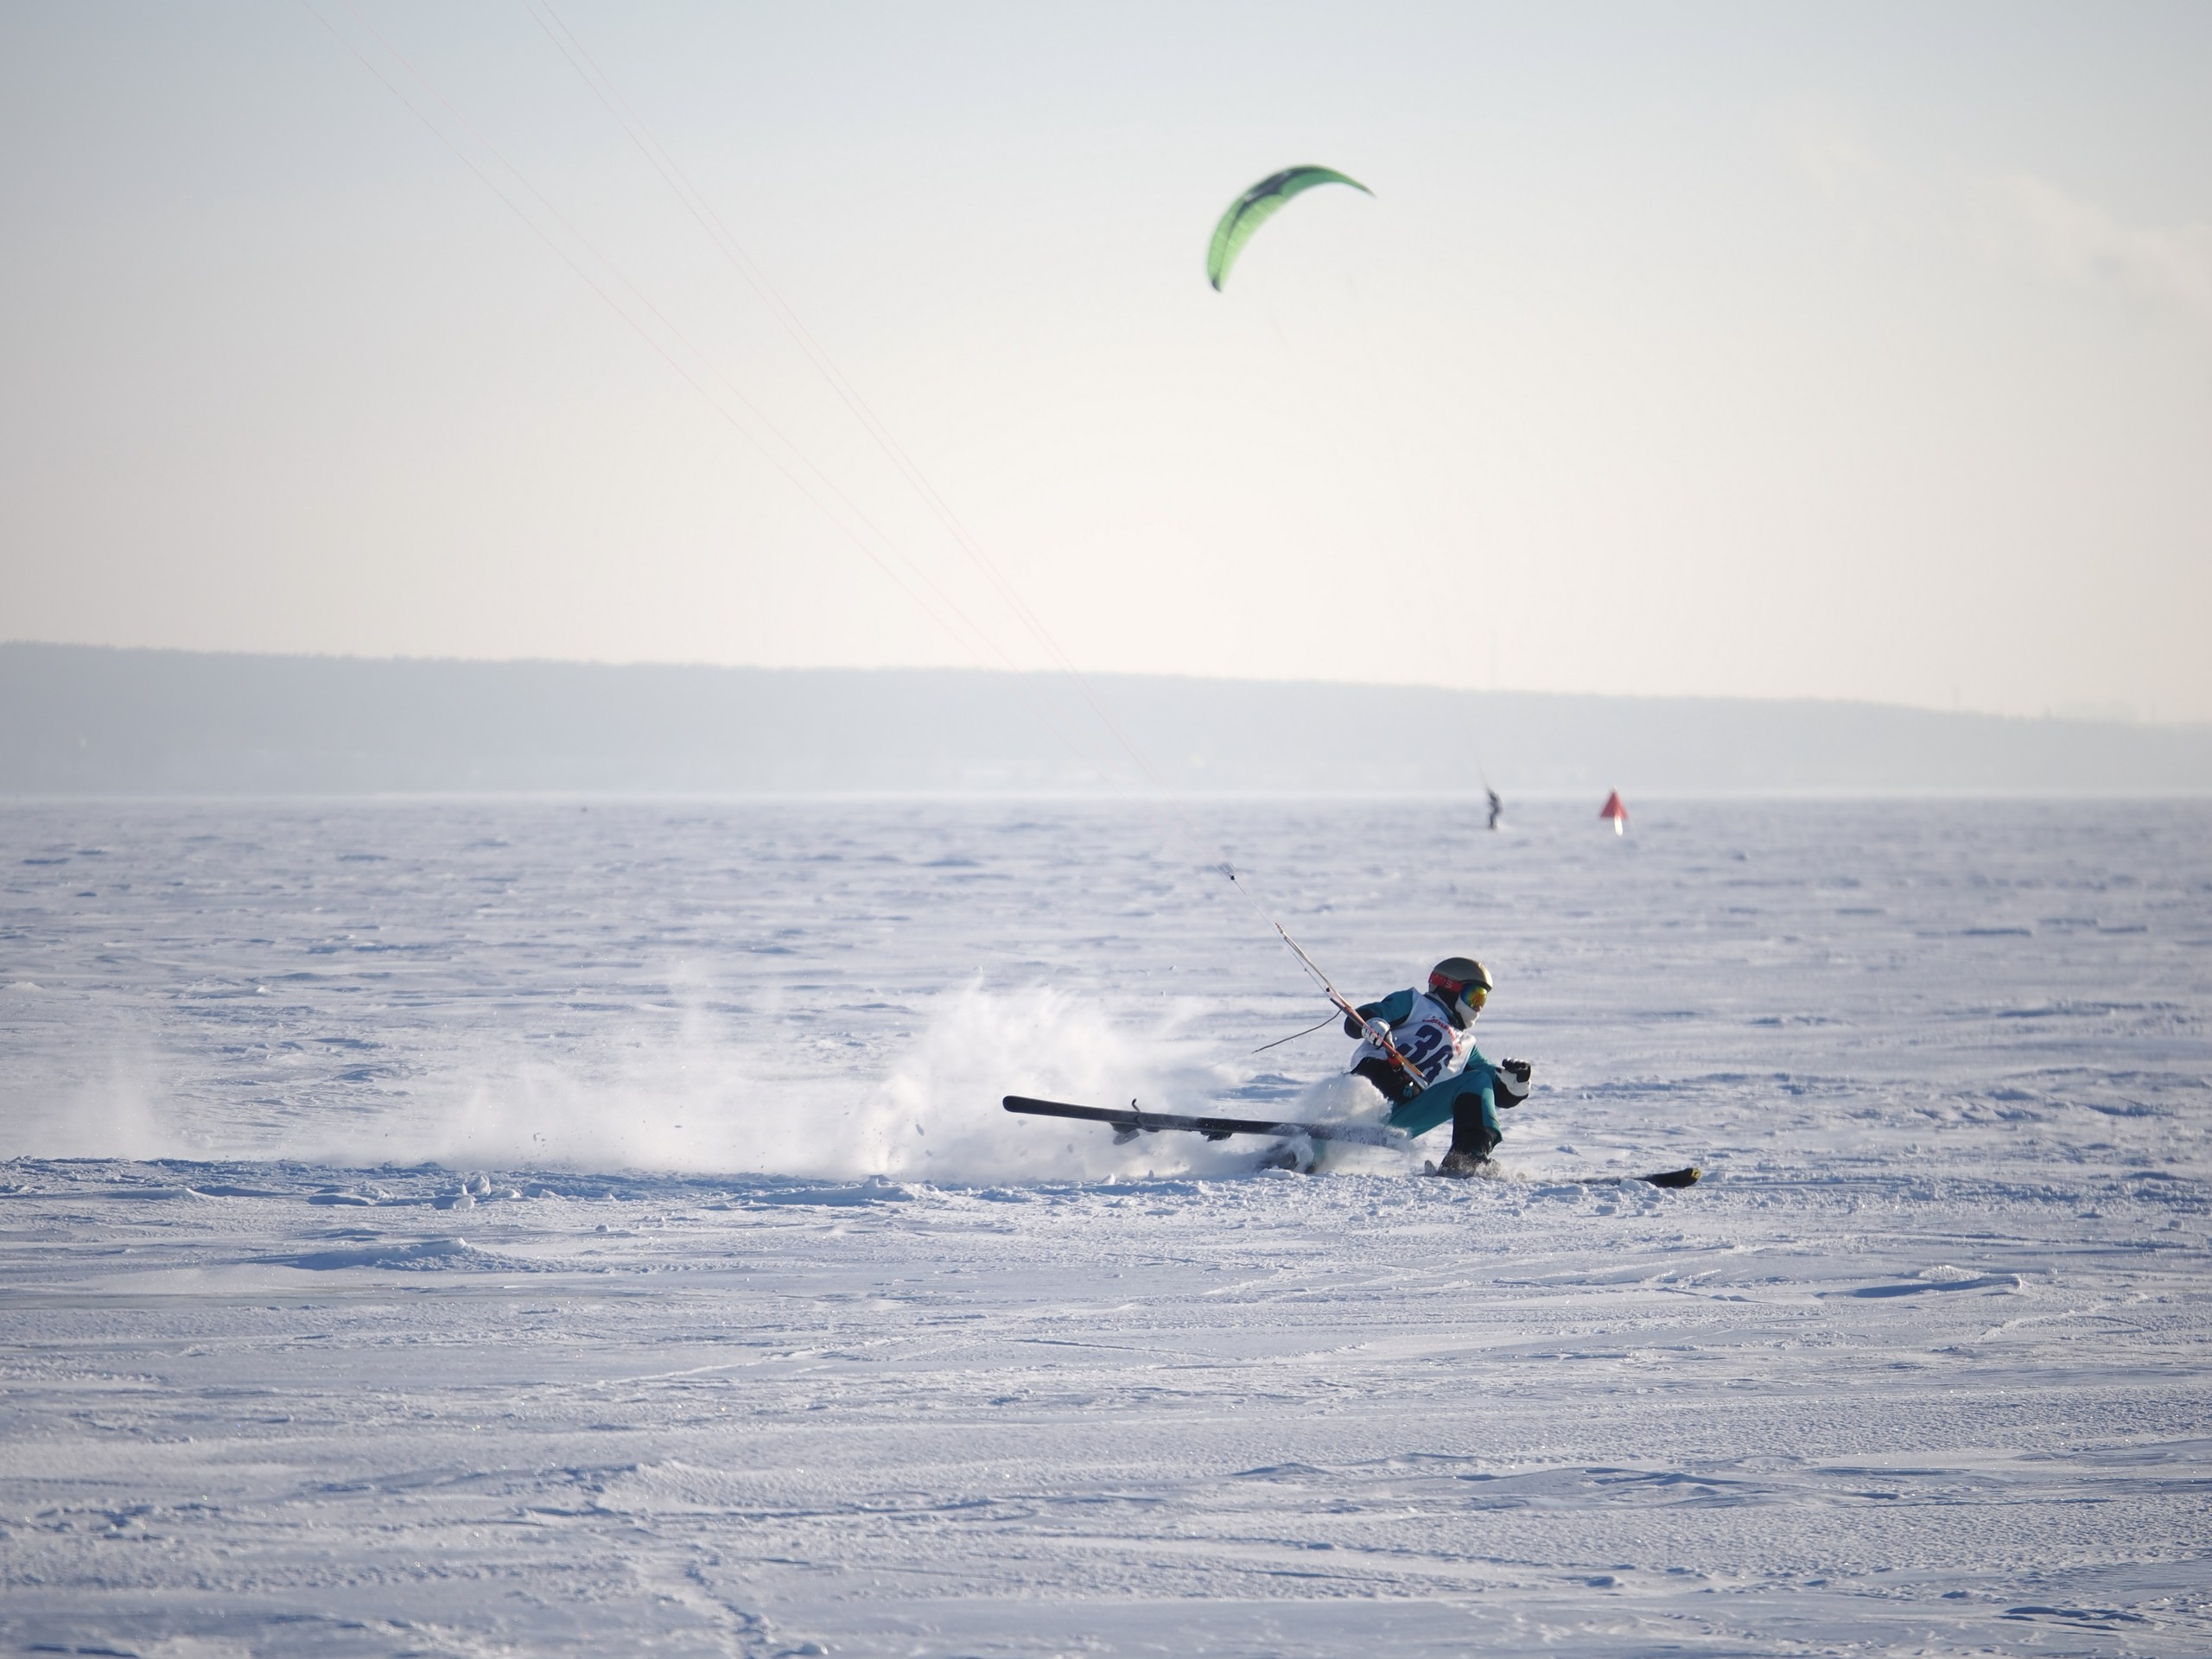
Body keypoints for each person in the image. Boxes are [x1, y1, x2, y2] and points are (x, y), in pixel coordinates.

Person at [1343, 956, 1531, 1175]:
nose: (1477, 1007)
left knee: (1478, 1080)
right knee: (1381, 1070)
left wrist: (1517, 1083)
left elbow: (1496, 1091)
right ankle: (1311, 1152)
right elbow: (1363, 1017)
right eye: (1474, 996)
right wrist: (1374, 1023)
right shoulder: (1415, 1003)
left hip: (1405, 1109)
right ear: (1450, 987)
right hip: (1368, 1090)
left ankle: (1467, 1160)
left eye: (1482, 1000)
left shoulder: (1466, 1045)